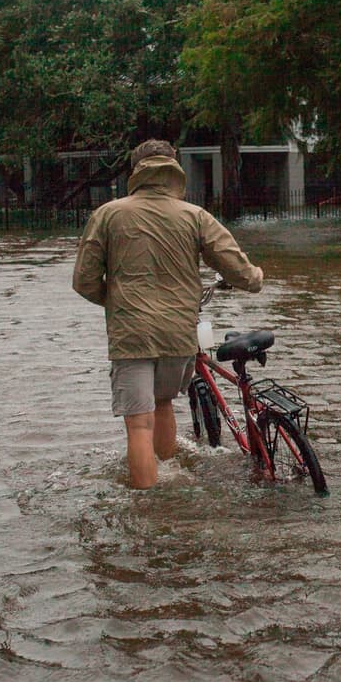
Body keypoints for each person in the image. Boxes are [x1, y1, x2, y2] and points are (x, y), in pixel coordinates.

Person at [73, 139, 263, 489]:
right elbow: (238, 268)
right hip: (178, 334)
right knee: (163, 405)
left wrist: (118, 302)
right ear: (175, 169)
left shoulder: (108, 214)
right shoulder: (194, 215)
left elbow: (83, 281)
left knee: (139, 425)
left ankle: (148, 506)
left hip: (132, 335)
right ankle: (170, 487)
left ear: (135, 171)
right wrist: (256, 278)